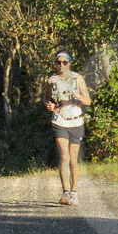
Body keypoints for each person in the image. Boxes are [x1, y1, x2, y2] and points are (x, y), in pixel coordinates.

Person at [44, 50, 92, 205]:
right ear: (55, 64)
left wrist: (79, 97)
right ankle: (65, 193)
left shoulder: (77, 78)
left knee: (73, 159)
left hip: (76, 122)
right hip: (59, 121)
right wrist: (49, 105)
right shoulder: (52, 80)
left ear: (70, 63)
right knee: (64, 157)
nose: (61, 65)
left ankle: (74, 192)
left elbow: (88, 101)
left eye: (65, 62)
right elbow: (46, 97)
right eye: (58, 62)